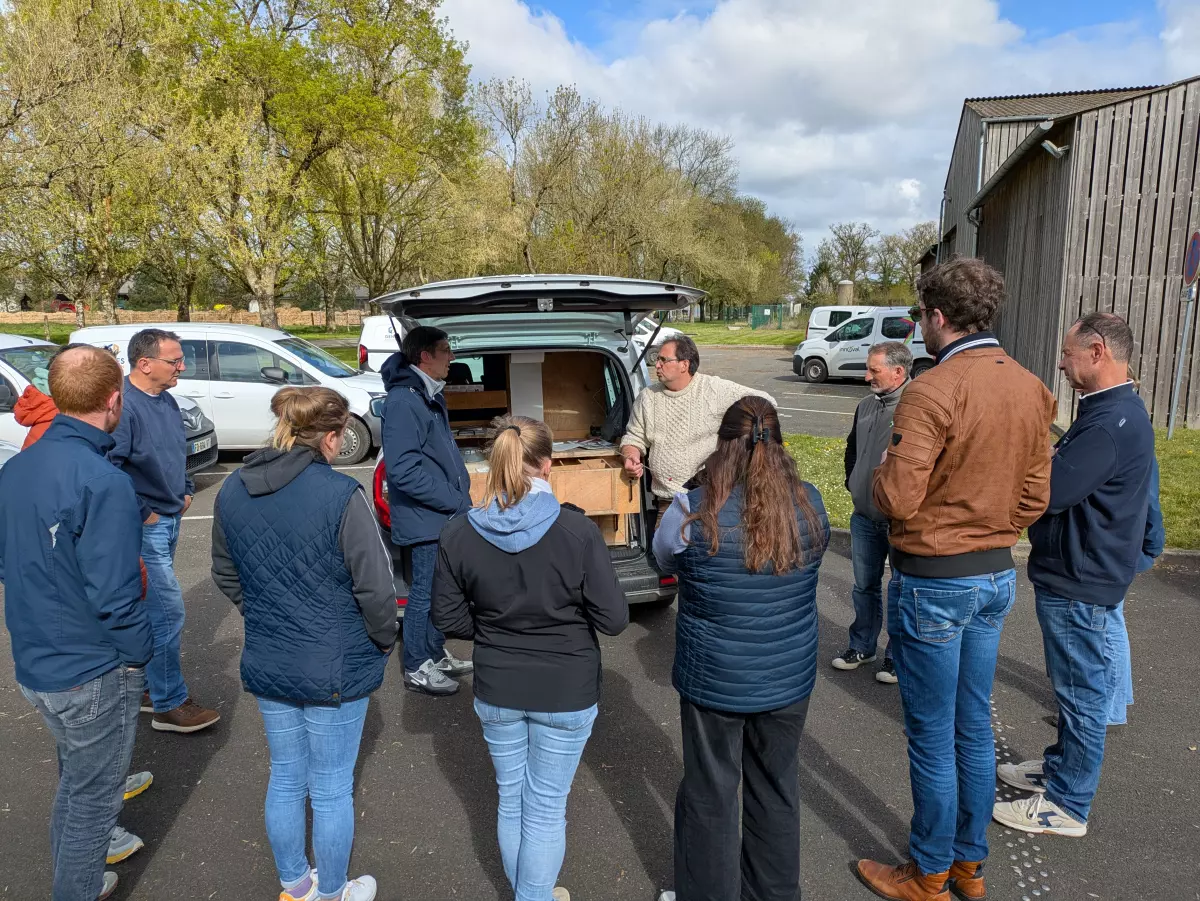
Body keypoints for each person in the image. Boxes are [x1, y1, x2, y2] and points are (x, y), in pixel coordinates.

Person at [856, 258, 1057, 901]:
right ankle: (968, 865)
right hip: (993, 573)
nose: (919, 327)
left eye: (920, 317)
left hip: (935, 578)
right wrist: (990, 525)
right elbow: (1035, 497)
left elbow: (897, 498)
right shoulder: (1031, 387)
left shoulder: (931, 389)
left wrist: (889, 465)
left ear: (937, 318)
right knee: (971, 726)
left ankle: (930, 870)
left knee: (933, 735)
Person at [211, 387, 397, 901]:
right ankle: (333, 892)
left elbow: (225, 573)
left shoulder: (231, 489)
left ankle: (296, 883)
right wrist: (383, 641)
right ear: (332, 437)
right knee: (332, 787)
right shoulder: (341, 495)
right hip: (334, 659)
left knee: (287, 777)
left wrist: (264, 613)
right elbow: (377, 588)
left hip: (271, 653)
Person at [432, 415, 627, 901]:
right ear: (547, 464)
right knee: (544, 806)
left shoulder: (459, 533)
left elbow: (448, 618)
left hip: (498, 682)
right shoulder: (577, 531)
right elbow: (614, 618)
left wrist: (496, 630)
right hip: (566, 687)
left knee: (511, 798)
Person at [653, 396, 830, 901]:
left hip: (714, 678)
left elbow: (663, 553)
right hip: (787, 675)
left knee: (710, 794)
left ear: (722, 444)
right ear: (778, 441)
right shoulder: (810, 502)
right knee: (776, 790)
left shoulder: (693, 508)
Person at [993, 313, 1157, 839]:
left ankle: (1067, 804)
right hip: (1087, 572)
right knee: (1075, 689)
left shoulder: (1111, 422)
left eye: (1068, 353)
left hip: (1078, 579)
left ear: (1098, 351)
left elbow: (1054, 492)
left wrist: (1031, 458)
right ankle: (1061, 769)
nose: (1061, 361)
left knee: (1081, 693)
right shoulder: (1116, 411)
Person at [0, 344, 153, 901]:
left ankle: (75, 878)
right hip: (89, 668)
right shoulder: (103, 480)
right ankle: (77, 888)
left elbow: (8, 562)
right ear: (114, 401)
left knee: (76, 786)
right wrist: (141, 652)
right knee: (93, 800)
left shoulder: (18, 467)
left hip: (37, 660)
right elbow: (116, 594)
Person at [108, 328, 219, 734]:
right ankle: (168, 703)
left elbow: (178, 451)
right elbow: (110, 468)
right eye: (175, 360)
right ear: (145, 363)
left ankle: (145, 686)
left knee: (147, 609)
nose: (182, 367)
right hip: (146, 527)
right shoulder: (123, 407)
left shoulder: (167, 400)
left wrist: (187, 490)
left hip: (170, 518)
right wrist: (145, 513)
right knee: (166, 611)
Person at [381, 325, 475, 696]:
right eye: (445, 351)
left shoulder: (425, 393)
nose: (451, 357)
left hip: (440, 516)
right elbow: (403, 470)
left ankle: (433, 654)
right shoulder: (405, 400)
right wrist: (454, 500)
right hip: (427, 519)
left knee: (441, 590)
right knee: (425, 592)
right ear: (425, 357)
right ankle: (417, 666)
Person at [834, 341, 912, 685]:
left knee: (900, 589)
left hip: (899, 521)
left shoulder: (916, 407)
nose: (867, 377)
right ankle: (862, 646)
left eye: (873, 370)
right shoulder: (866, 405)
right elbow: (852, 448)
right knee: (864, 587)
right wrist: (853, 482)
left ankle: (896, 656)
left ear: (899, 371)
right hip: (863, 517)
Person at [620, 335, 775, 506]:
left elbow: (766, 401)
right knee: (664, 534)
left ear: (684, 365)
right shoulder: (647, 398)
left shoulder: (714, 390)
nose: (657, 365)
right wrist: (631, 456)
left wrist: (738, 446)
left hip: (708, 500)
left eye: (664, 360)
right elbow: (634, 437)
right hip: (666, 502)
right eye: (657, 359)